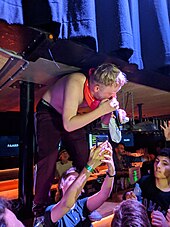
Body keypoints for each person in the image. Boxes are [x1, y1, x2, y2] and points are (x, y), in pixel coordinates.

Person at [33, 63, 127, 218]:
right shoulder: (76, 82)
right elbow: (69, 124)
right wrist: (101, 110)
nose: (112, 96)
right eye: (111, 93)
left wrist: (115, 113)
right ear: (97, 88)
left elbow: (104, 122)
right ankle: (39, 208)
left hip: (71, 115)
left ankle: (79, 199)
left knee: (84, 159)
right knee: (48, 161)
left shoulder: (106, 89)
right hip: (50, 112)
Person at [43, 141, 115, 226]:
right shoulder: (51, 211)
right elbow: (66, 204)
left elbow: (104, 194)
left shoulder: (81, 205)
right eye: (71, 179)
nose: (76, 183)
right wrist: (90, 165)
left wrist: (111, 171)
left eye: (77, 180)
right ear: (62, 184)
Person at [124, 147, 170, 226]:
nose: (158, 166)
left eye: (164, 163)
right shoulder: (144, 182)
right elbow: (130, 196)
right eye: (157, 161)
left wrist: (166, 225)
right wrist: (128, 197)